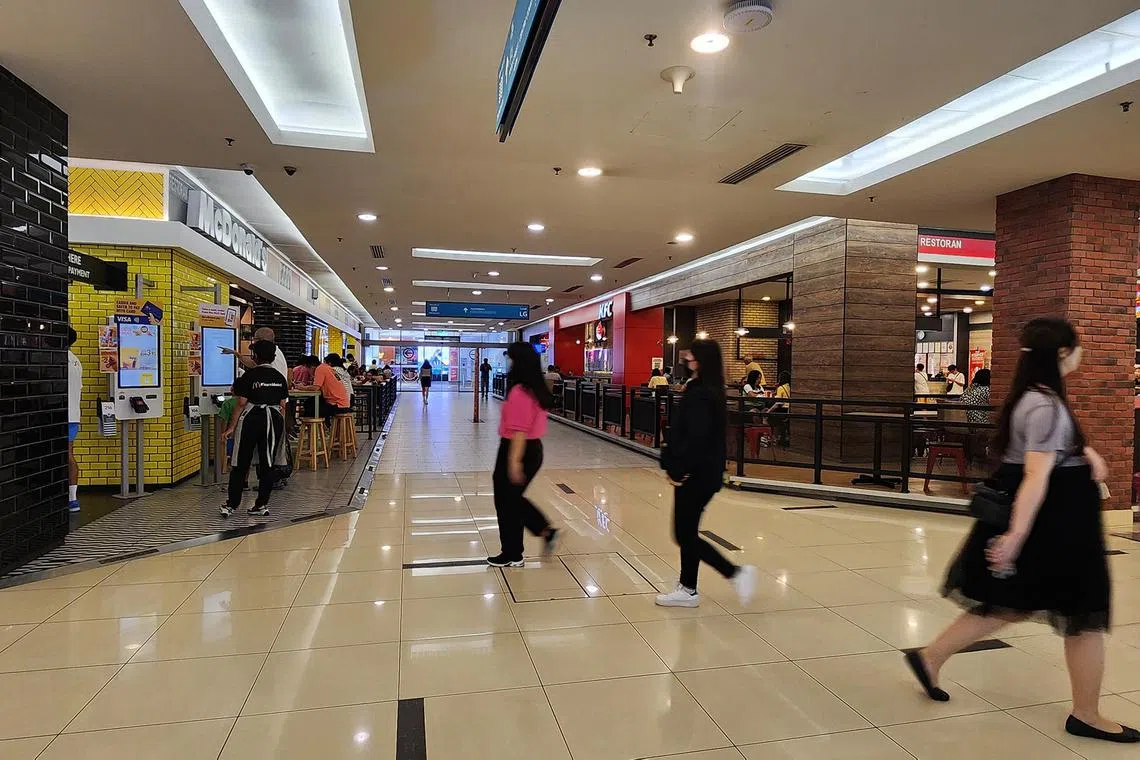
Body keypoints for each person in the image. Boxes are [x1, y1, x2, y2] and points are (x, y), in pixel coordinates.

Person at [905, 318, 1137, 744]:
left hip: (1053, 520)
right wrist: (1014, 537)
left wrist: (1085, 453)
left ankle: (931, 656)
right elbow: (1035, 475)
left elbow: (1041, 451)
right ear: (1063, 354)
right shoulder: (1046, 405)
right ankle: (1086, 713)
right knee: (1084, 614)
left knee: (1008, 603)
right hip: (1058, 525)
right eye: (1077, 347)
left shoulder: (1032, 398)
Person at [656, 339, 758, 607]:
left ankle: (734, 573)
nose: (686, 356)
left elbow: (696, 437)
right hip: (703, 472)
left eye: (691, 352)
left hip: (697, 474)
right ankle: (688, 588)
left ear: (700, 359)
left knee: (683, 534)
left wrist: (680, 468)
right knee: (687, 531)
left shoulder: (702, 392)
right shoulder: (705, 388)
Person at [487, 342, 558, 567]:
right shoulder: (536, 388)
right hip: (532, 448)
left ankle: (515, 550)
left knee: (506, 500)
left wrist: (514, 461)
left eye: (512, 359)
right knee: (512, 499)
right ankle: (523, 545)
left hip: (518, 448)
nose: (509, 364)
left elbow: (519, 431)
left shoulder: (520, 392)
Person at [221, 341, 288, 517]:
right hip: (274, 420)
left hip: (252, 419)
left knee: (241, 462)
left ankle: (231, 504)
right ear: (273, 357)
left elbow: (241, 403)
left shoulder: (249, 376)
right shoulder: (280, 378)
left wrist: (231, 427)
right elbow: (282, 406)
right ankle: (261, 504)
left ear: (256, 357)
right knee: (268, 463)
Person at [299, 353, 351, 423]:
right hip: (344, 403)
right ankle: (323, 428)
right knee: (312, 402)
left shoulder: (320, 369)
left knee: (309, 405)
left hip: (338, 405)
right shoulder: (328, 368)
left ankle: (313, 430)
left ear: (312, 367)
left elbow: (315, 388)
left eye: (307, 370)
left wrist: (301, 388)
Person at [67, 327, 82, 513]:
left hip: (61, 415)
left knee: (66, 456)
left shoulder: (57, 359)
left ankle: (71, 499)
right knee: (69, 453)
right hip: (73, 415)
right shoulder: (76, 361)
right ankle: (72, 498)